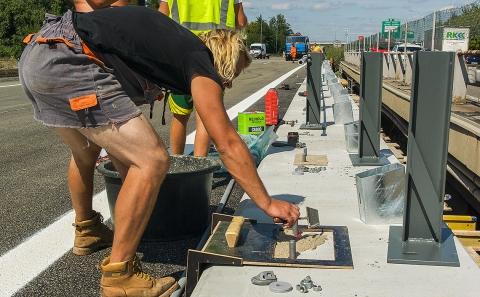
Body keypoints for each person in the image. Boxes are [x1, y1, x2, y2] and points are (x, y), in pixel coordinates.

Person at [19, 3, 300, 297]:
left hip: (40, 55)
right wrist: (267, 203)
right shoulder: (199, 58)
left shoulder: (173, 45)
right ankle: (120, 277)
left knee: (88, 152)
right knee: (152, 160)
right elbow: (227, 144)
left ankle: (87, 230)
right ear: (222, 60)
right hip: (69, 60)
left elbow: (124, 158)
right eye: (230, 75)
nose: (227, 83)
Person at [158, 0, 247, 157]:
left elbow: (160, 18)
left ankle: (177, 164)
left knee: (180, 116)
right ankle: (200, 166)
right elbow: (240, 22)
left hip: (180, 54)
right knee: (206, 117)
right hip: (215, 55)